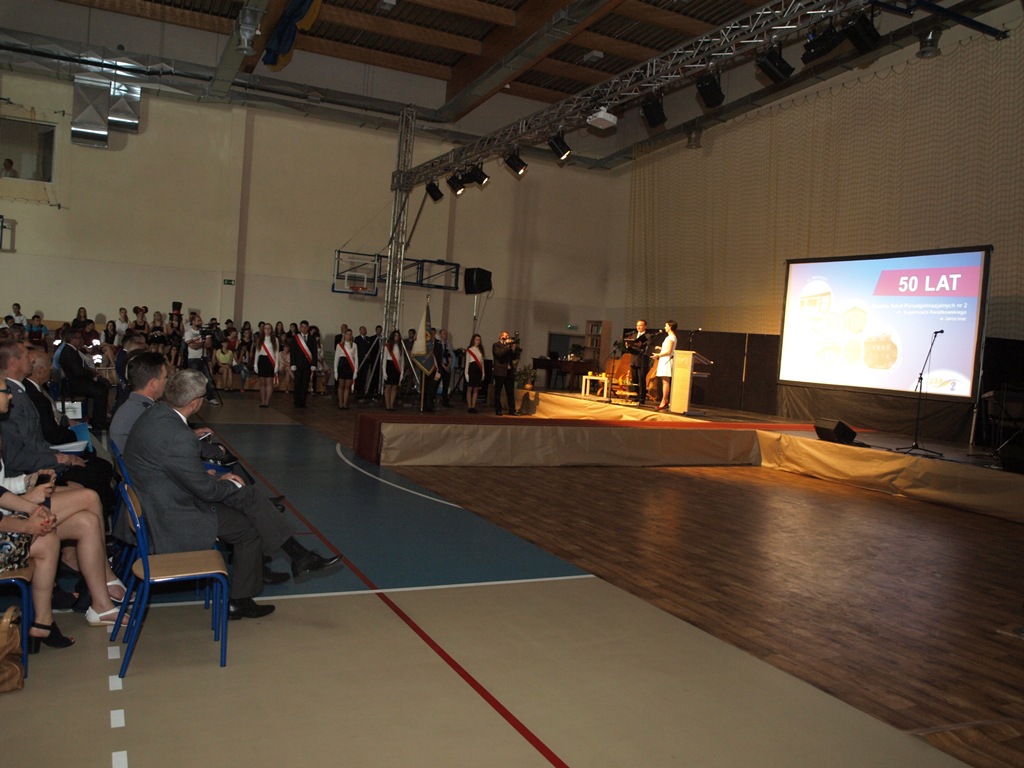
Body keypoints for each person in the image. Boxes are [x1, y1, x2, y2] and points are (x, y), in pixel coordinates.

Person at [124, 370, 342, 618]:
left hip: (163, 495)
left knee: (248, 499)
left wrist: (214, 479)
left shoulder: (156, 414)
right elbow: (205, 490)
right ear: (195, 402)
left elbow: (173, 466)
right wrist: (223, 483)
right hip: (171, 514)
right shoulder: (178, 435)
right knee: (247, 526)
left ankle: (297, 556)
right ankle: (245, 596)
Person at [57, 330, 111, 429]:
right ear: (73, 339)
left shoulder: (71, 350)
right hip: (76, 384)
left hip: (78, 381)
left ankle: (97, 418)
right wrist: (92, 373)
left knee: (103, 385)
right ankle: (99, 423)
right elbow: (78, 371)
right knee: (101, 391)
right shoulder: (69, 352)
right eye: (79, 338)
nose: (82, 340)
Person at [491, 330, 520, 416]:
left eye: (508, 336)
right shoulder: (496, 345)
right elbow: (499, 354)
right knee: (498, 392)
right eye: (505, 336)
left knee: (510, 392)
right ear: (501, 337)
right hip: (500, 372)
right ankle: (498, 410)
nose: (507, 337)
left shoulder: (509, 347)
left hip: (509, 372)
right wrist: (507, 346)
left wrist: (513, 350)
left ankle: (512, 410)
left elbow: (514, 357)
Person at [288, 320, 317, 408]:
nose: (304, 328)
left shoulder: (312, 338)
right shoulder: (295, 338)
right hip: (297, 365)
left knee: (305, 384)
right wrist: (292, 364)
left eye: (305, 327)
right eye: (302, 327)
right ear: (300, 328)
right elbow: (292, 352)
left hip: (308, 365)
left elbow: (314, 352)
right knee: (297, 384)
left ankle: (303, 402)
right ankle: (296, 401)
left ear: (308, 328)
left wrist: (314, 364)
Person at [652, 320, 677, 411]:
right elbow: (667, 349)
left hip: (666, 360)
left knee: (666, 382)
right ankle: (664, 400)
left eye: (666, 326)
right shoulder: (669, 337)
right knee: (664, 381)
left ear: (670, 327)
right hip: (664, 360)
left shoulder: (671, 337)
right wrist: (660, 348)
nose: (665, 327)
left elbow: (669, 351)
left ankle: (664, 400)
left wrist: (658, 355)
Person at [626, 319, 652, 406]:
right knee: (635, 380)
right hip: (634, 360)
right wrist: (628, 346)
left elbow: (647, 348)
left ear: (645, 326)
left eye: (640, 325)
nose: (638, 327)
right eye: (637, 325)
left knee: (641, 380)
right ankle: (637, 395)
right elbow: (631, 350)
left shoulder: (648, 336)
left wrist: (639, 345)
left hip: (642, 360)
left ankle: (642, 398)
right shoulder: (634, 335)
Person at [253, 321, 278, 408]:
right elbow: (257, 352)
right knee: (262, 382)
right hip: (262, 360)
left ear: (271, 330)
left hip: (270, 361)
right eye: (265, 328)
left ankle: (267, 401)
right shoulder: (260, 339)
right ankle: (262, 401)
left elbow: (276, 353)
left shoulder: (275, 340)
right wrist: (255, 364)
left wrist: (276, 365)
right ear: (263, 329)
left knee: (269, 382)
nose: (267, 329)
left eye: (269, 328)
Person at [335, 328, 358, 410]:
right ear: (344, 335)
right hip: (342, 365)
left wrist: (355, 371)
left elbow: (356, 359)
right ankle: (340, 403)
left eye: (350, 334)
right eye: (347, 334)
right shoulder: (339, 345)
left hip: (350, 366)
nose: (348, 336)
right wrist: (335, 371)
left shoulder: (354, 345)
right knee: (341, 385)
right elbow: (336, 358)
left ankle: (345, 403)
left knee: (347, 386)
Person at [464, 333, 485, 413]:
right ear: (473, 340)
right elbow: (467, 363)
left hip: (478, 371)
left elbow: (482, 363)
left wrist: (483, 373)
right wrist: (466, 373)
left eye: (479, 340)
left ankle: (473, 406)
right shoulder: (469, 350)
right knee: (469, 388)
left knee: (476, 389)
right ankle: (469, 406)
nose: (478, 341)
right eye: (476, 339)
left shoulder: (480, 351)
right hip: (472, 370)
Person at [383, 330, 403, 411]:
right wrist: (384, 371)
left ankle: (391, 404)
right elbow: (384, 360)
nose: (396, 337)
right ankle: (387, 405)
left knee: (394, 386)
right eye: (395, 335)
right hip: (389, 366)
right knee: (388, 386)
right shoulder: (387, 346)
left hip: (396, 367)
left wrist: (402, 372)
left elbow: (402, 361)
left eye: (398, 335)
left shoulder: (400, 347)